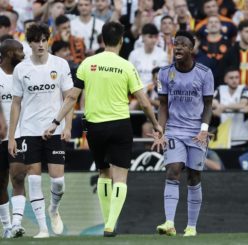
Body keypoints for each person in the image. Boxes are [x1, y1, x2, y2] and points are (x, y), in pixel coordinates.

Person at [43, 21, 163, 237]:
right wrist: (156, 124)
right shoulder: (126, 65)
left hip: (95, 128)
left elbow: (72, 96)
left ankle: (109, 221)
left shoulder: (88, 63)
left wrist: (55, 121)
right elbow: (144, 101)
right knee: (120, 177)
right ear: (120, 39)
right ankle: (111, 222)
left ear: (102, 39)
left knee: (103, 173)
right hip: (119, 125)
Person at [8, 23, 74, 238]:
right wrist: (12, 136)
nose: (40, 44)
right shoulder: (21, 69)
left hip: (54, 129)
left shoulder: (60, 64)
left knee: (58, 181)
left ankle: (53, 210)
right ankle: (43, 229)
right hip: (29, 130)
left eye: (43, 40)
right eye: (36, 41)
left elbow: (69, 99)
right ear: (30, 43)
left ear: (49, 40)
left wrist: (68, 127)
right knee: (33, 177)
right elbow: (16, 103)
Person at [153, 30, 214, 237]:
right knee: (173, 169)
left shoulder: (205, 73)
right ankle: (169, 223)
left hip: (197, 132)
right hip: (174, 131)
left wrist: (204, 131)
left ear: (191, 49)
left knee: (194, 176)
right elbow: (162, 104)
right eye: (175, 43)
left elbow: (208, 105)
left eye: (183, 44)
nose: (178, 47)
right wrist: (160, 129)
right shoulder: (164, 73)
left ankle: (191, 227)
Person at [0, 39, 26, 239]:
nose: (23, 53)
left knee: (17, 176)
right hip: (1, 136)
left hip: (20, 134)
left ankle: (17, 223)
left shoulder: (24, 73)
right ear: (9, 53)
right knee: (1, 184)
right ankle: (7, 226)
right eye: (19, 50)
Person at [212, 67, 248, 147]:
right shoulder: (220, 89)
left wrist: (224, 107)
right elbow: (213, 102)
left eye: (237, 77)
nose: (234, 80)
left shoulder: (244, 88)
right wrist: (218, 106)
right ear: (225, 79)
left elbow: (242, 104)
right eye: (231, 78)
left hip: (242, 136)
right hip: (224, 136)